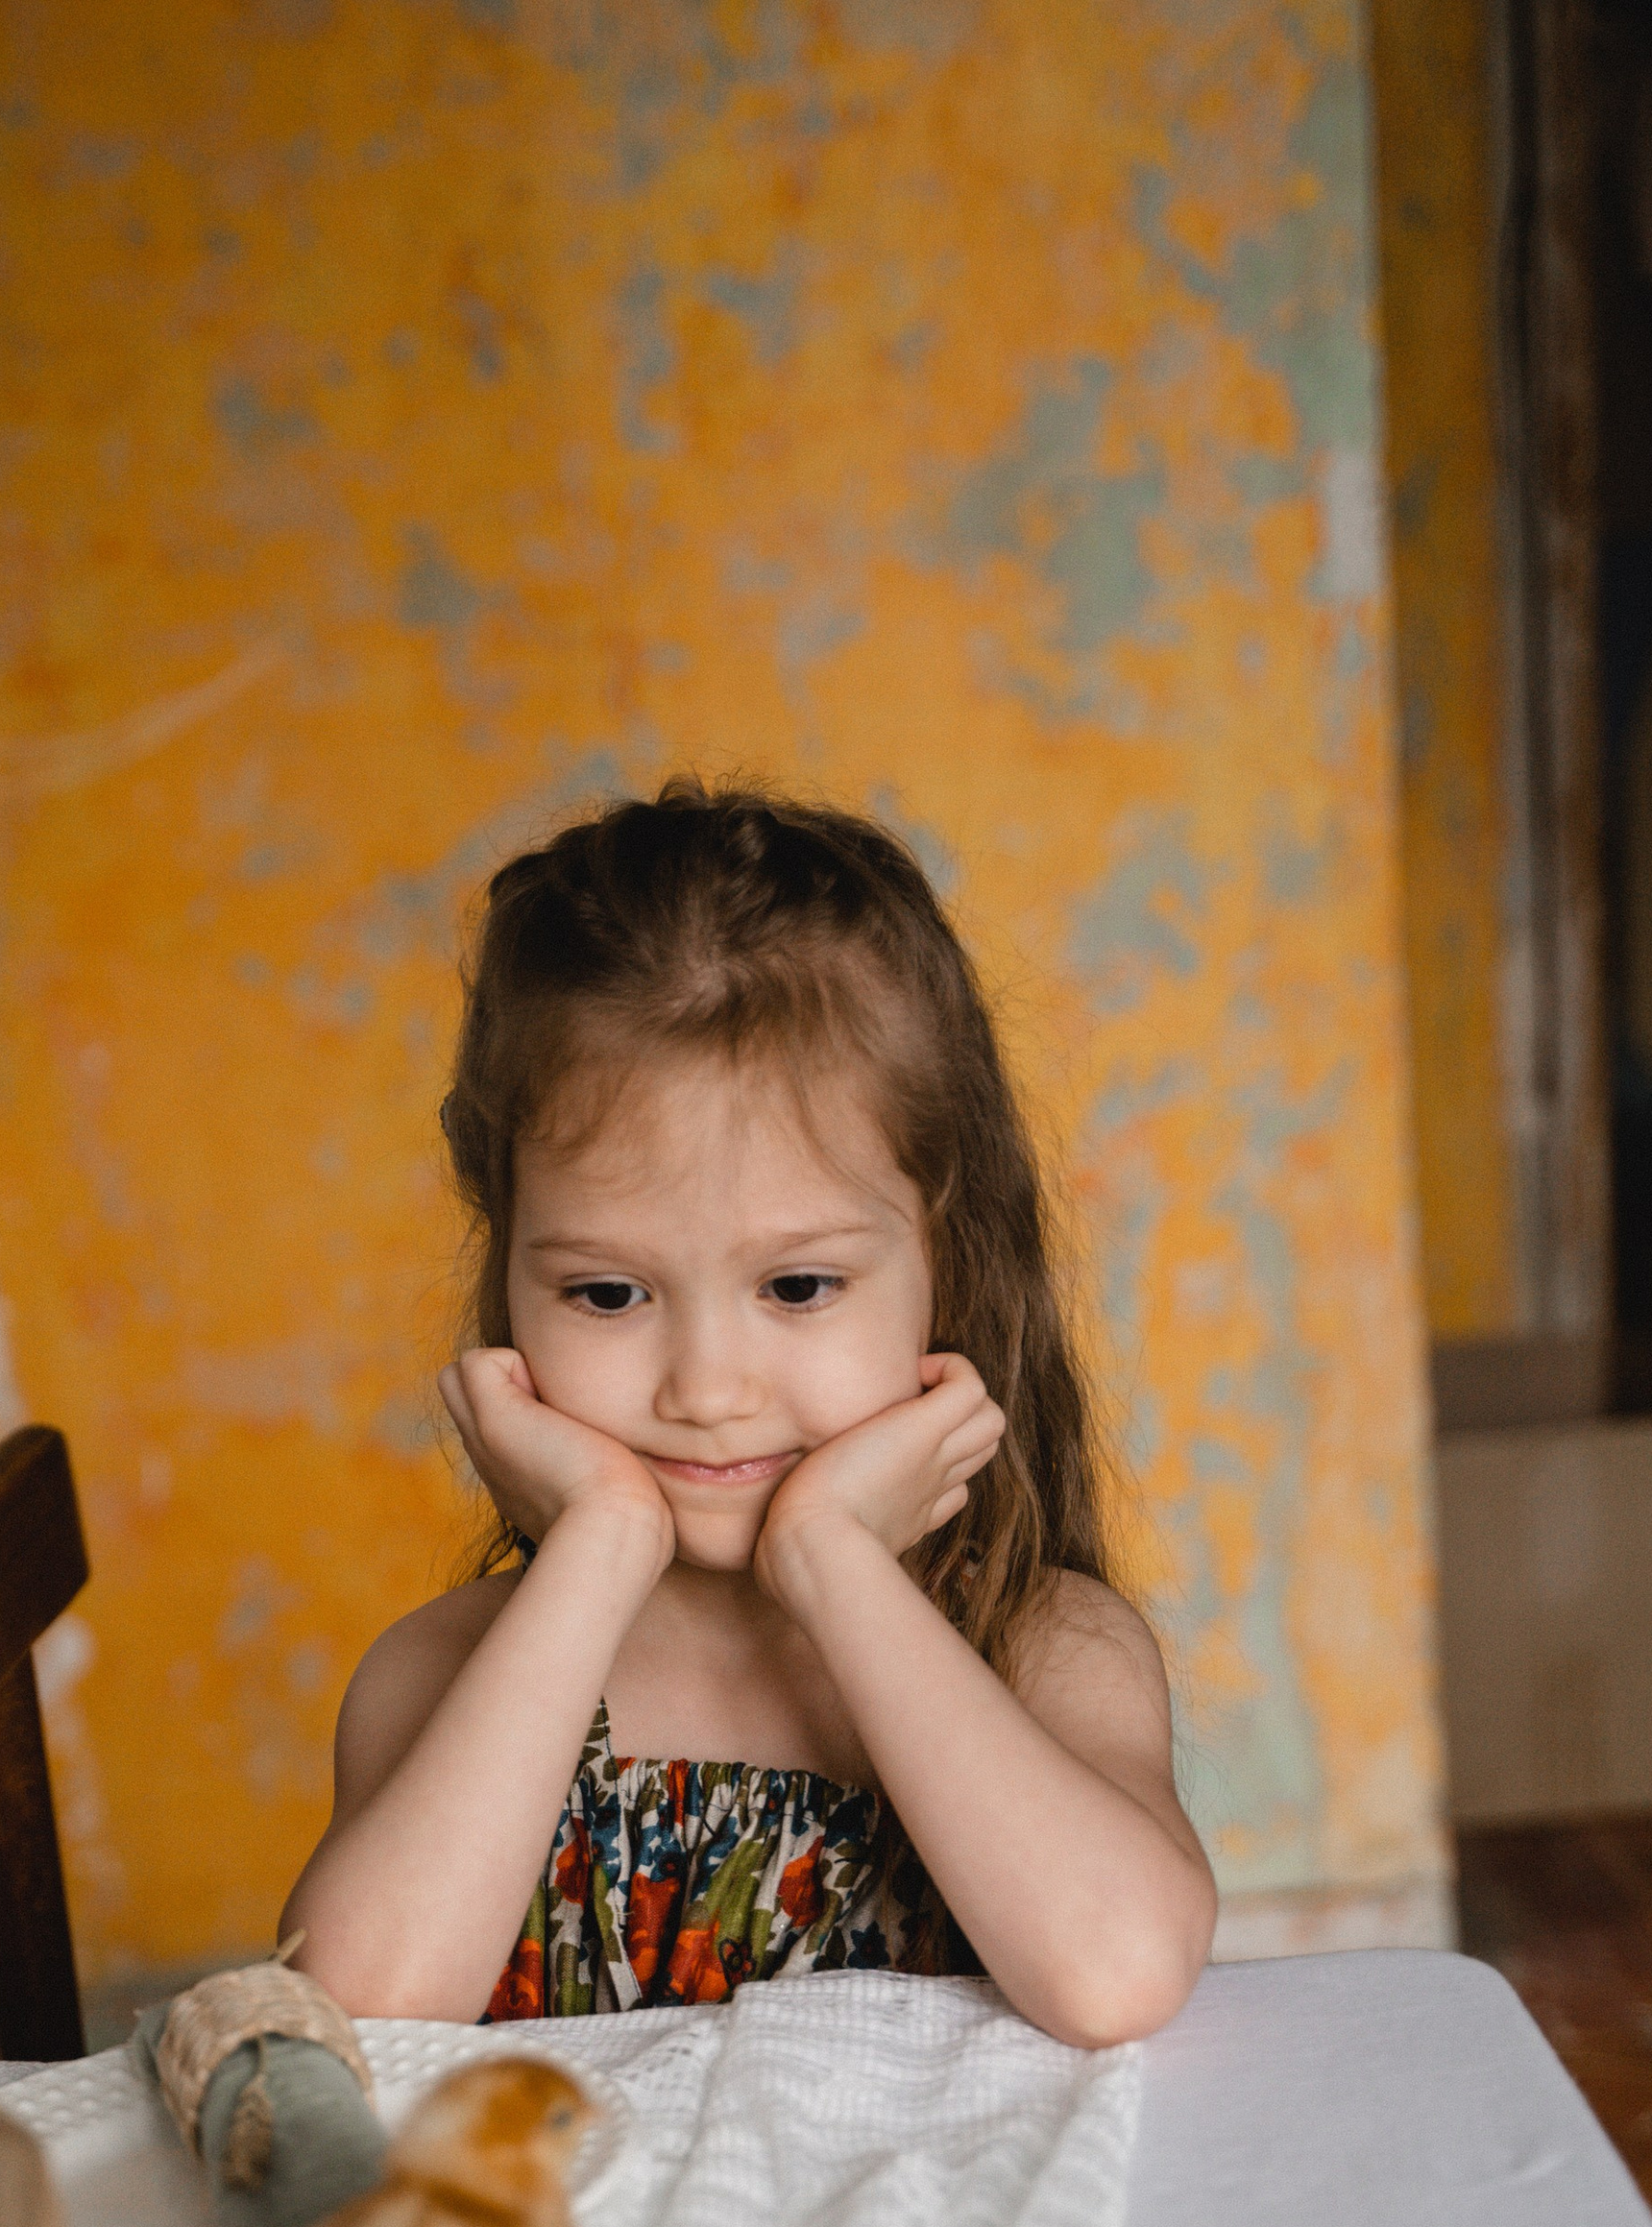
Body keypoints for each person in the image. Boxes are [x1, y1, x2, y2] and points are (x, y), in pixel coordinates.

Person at [280, 784, 1216, 2048]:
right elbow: (353, 2021)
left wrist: (833, 1559)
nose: (708, 1391)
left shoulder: (1048, 1650)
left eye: (798, 1287)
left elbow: (1115, 1976)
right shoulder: (445, 1676)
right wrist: (598, 1547)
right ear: (508, 1272)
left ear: (946, 1258)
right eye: (608, 1294)